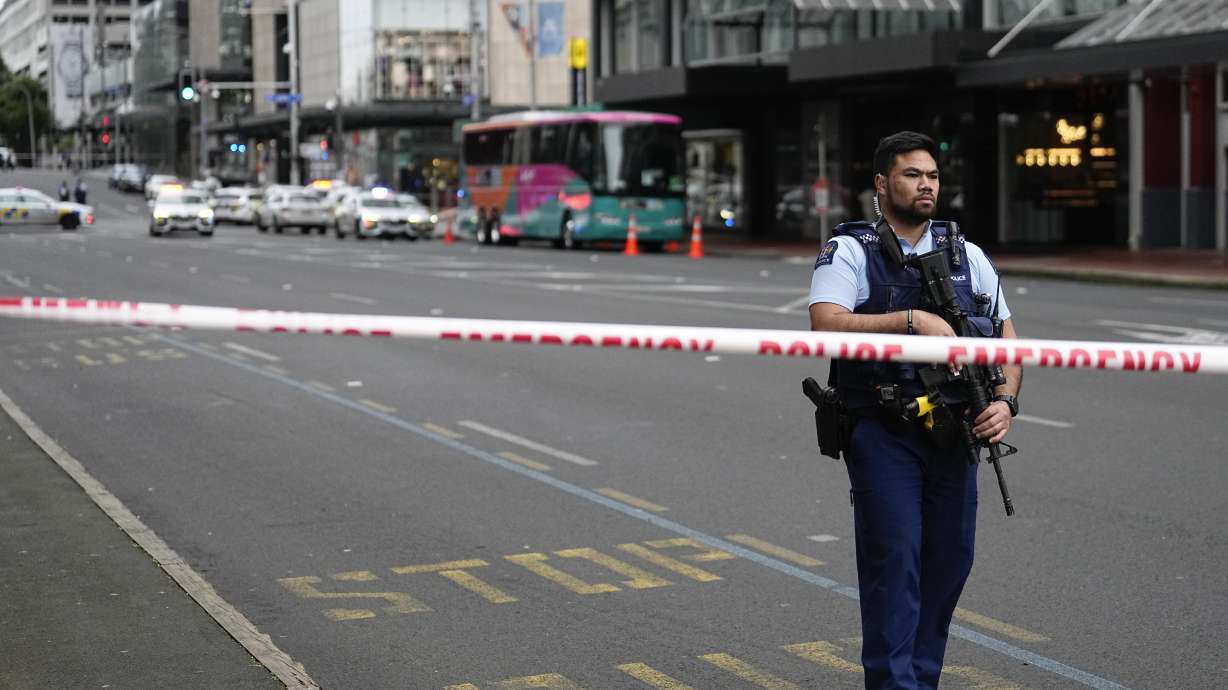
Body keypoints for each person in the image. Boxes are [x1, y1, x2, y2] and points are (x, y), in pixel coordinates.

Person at [807, 131, 1021, 690]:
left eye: (932, 175)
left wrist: (1004, 403)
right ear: (882, 185)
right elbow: (826, 322)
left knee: (949, 564)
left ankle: (920, 681)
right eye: (911, 175)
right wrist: (911, 323)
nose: (926, 185)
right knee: (894, 564)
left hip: (954, 433)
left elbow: (1008, 342)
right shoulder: (851, 250)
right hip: (883, 431)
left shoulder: (966, 255)